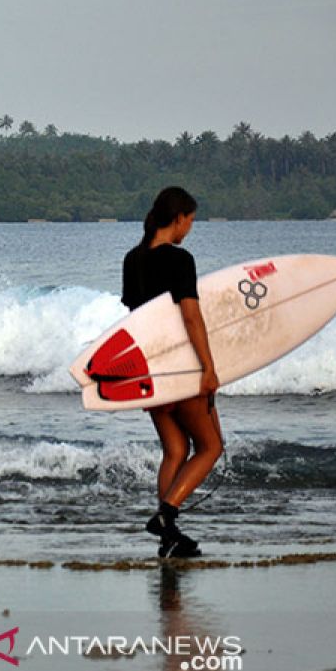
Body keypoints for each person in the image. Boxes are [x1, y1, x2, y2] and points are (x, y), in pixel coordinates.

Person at [121, 187, 222, 559]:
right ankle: (167, 516)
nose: (189, 229)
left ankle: (169, 539)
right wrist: (208, 368)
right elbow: (191, 317)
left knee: (176, 449)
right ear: (178, 218)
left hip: (151, 369)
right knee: (211, 446)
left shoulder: (132, 259)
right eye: (190, 221)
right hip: (181, 366)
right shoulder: (180, 260)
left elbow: (134, 322)